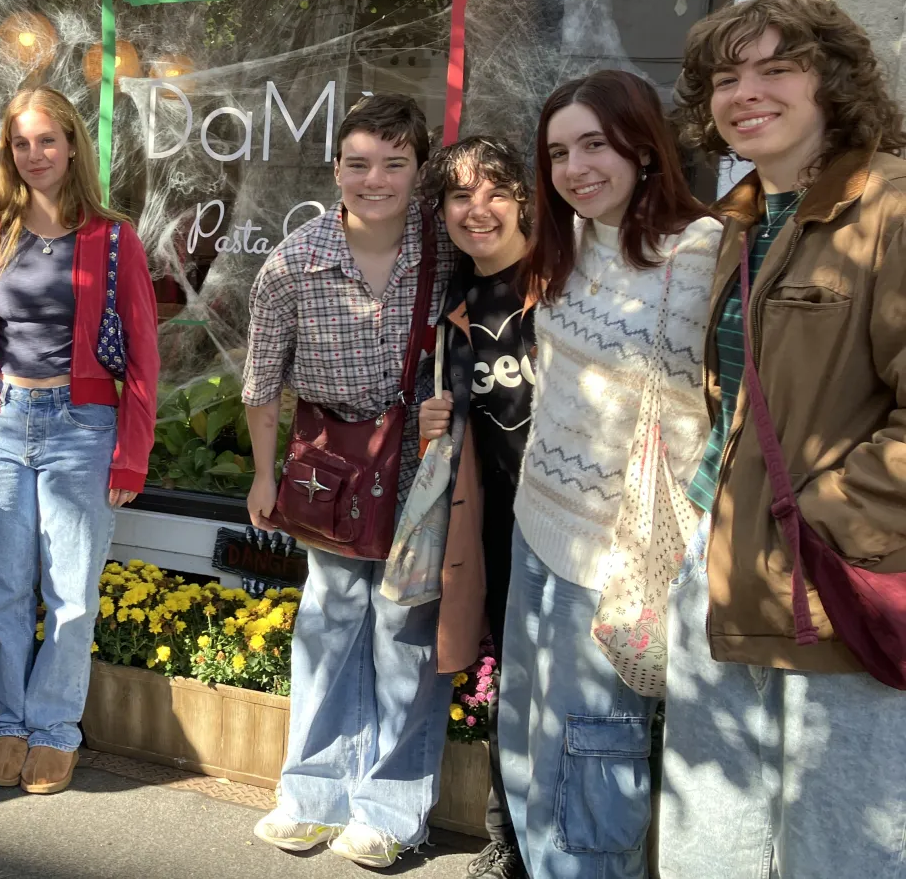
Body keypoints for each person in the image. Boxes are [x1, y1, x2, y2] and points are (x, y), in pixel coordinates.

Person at [659, 0, 906, 876]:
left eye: (777, 68)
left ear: (831, 82)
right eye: (727, 77)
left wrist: (830, 521)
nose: (745, 93)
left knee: (838, 855)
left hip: (835, 593)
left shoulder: (891, 210)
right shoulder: (743, 218)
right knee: (707, 849)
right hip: (724, 578)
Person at [499, 69, 719, 879]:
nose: (575, 167)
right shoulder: (571, 241)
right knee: (526, 735)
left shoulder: (698, 253)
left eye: (595, 143)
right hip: (536, 524)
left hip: (620, 549)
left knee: (592, 754)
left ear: (643, 143)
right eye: (558, 152)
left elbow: (709, 413)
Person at [244, 95, 456, 870]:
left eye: (395, 164)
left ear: (419, 170)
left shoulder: (448, 251)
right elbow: (262, 384)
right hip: (330, 466)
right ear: (335, 169)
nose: (376, 179)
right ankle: (312, 795)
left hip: (423, 470)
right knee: (329, 622)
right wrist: (264, 476)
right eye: (360, 163)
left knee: (405, 632)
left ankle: (393, 808)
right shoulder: (295, 260)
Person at [0, 86, 158, 796]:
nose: (35, 156)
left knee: (70, 591)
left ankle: (57, 728)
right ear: (10, 151)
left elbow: (147, 357)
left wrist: (132, 451)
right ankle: (11, 721)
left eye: (48, 141)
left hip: (82, 429)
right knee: (2, 587)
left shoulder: (113, 238)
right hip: (1, 425)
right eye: (22, 143)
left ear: (72, 147)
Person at [415, 137, 534, 879]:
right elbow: (464, 418)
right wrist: (440, 422)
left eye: (494, 191)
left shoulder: (559, 284)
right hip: (495, 523)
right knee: (510, 678)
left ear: (524, 197)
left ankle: (555, 845)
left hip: (569, 521)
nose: (477, 209)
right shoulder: (455, 306)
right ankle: (509, 840)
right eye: (460, 196)